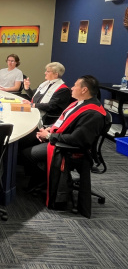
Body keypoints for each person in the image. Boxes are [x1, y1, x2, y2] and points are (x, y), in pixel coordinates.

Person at [22, 75, 106, 209]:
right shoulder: (79, 103)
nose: (71, 88)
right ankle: (42, 177)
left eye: (75, 86)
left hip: (69, 148)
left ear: (84, 90)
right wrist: (50, 129)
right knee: (26, 140)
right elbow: (64, 122)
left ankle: (47, 180)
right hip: (61, 137)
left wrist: (49, 136)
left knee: (27, 153)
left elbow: (77, 139)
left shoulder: (92, 113)